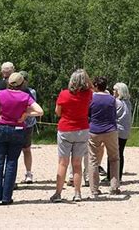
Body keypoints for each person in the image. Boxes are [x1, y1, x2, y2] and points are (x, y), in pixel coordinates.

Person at [0, 72, 43, 205]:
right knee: (12, 162)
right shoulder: (25, 96)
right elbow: (40, 111)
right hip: (17, 130)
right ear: (22, 83)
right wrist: (26, 114)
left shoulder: (1, 94)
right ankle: (7, 197)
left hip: (0, 128)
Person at [50, 69, 93, 203]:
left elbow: (58, 112)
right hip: (82, 129)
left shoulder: (64, 94)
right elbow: (91, 86)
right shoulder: (88, 94)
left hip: (66, 128)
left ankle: (58, 193)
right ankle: (77, 193)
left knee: (63, 163)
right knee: (77, 163)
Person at [88, 76, 121, 198]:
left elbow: (88, 113)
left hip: (94, 130)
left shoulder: (91, 98)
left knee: (93, 160)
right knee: (114, 158)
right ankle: (114, 186)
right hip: (111, 130)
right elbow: (114, 114)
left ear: (96, 85)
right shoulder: (112, 99)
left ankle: (94, 189)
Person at [107, 82, 132, 181]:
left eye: (115, 90)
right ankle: (118, 176)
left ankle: (111, 176)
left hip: (116, 130)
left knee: (112, 154)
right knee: (120, 153)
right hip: (125, 131)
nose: (113, 91)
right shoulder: (128, 103)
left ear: (119, 91)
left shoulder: (116, 102)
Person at [19, 71, 36, 184]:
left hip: (27, 123)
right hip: (18, 122)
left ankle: (28, 172)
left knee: (26, 149)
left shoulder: (31, 92)